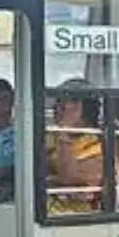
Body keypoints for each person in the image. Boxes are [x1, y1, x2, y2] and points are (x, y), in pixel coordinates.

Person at [46, 79, 105, 214]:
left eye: (62, 103)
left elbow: (67, 178)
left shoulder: (97, 146)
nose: (56, 108)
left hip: (73, 213)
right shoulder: (51, 136)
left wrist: (64, 131)